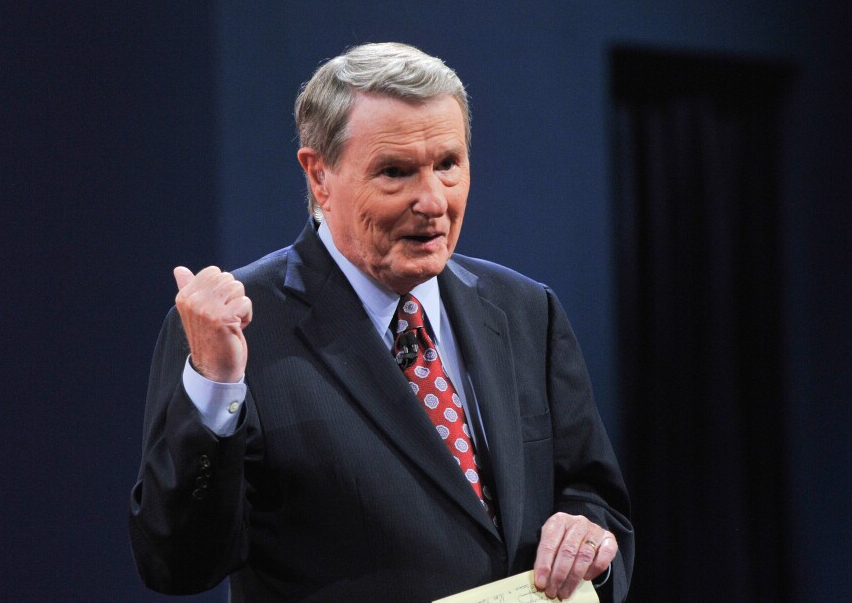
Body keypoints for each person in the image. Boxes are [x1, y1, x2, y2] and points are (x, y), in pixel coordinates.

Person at [129, 42, 633, 602]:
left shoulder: (525, 310)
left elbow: (595, 498)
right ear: (320, 175)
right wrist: (217, 387)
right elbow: (178, 563)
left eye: (448, 164)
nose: (433, 201)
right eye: (396, 172)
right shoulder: (238, 332)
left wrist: (589, 538)